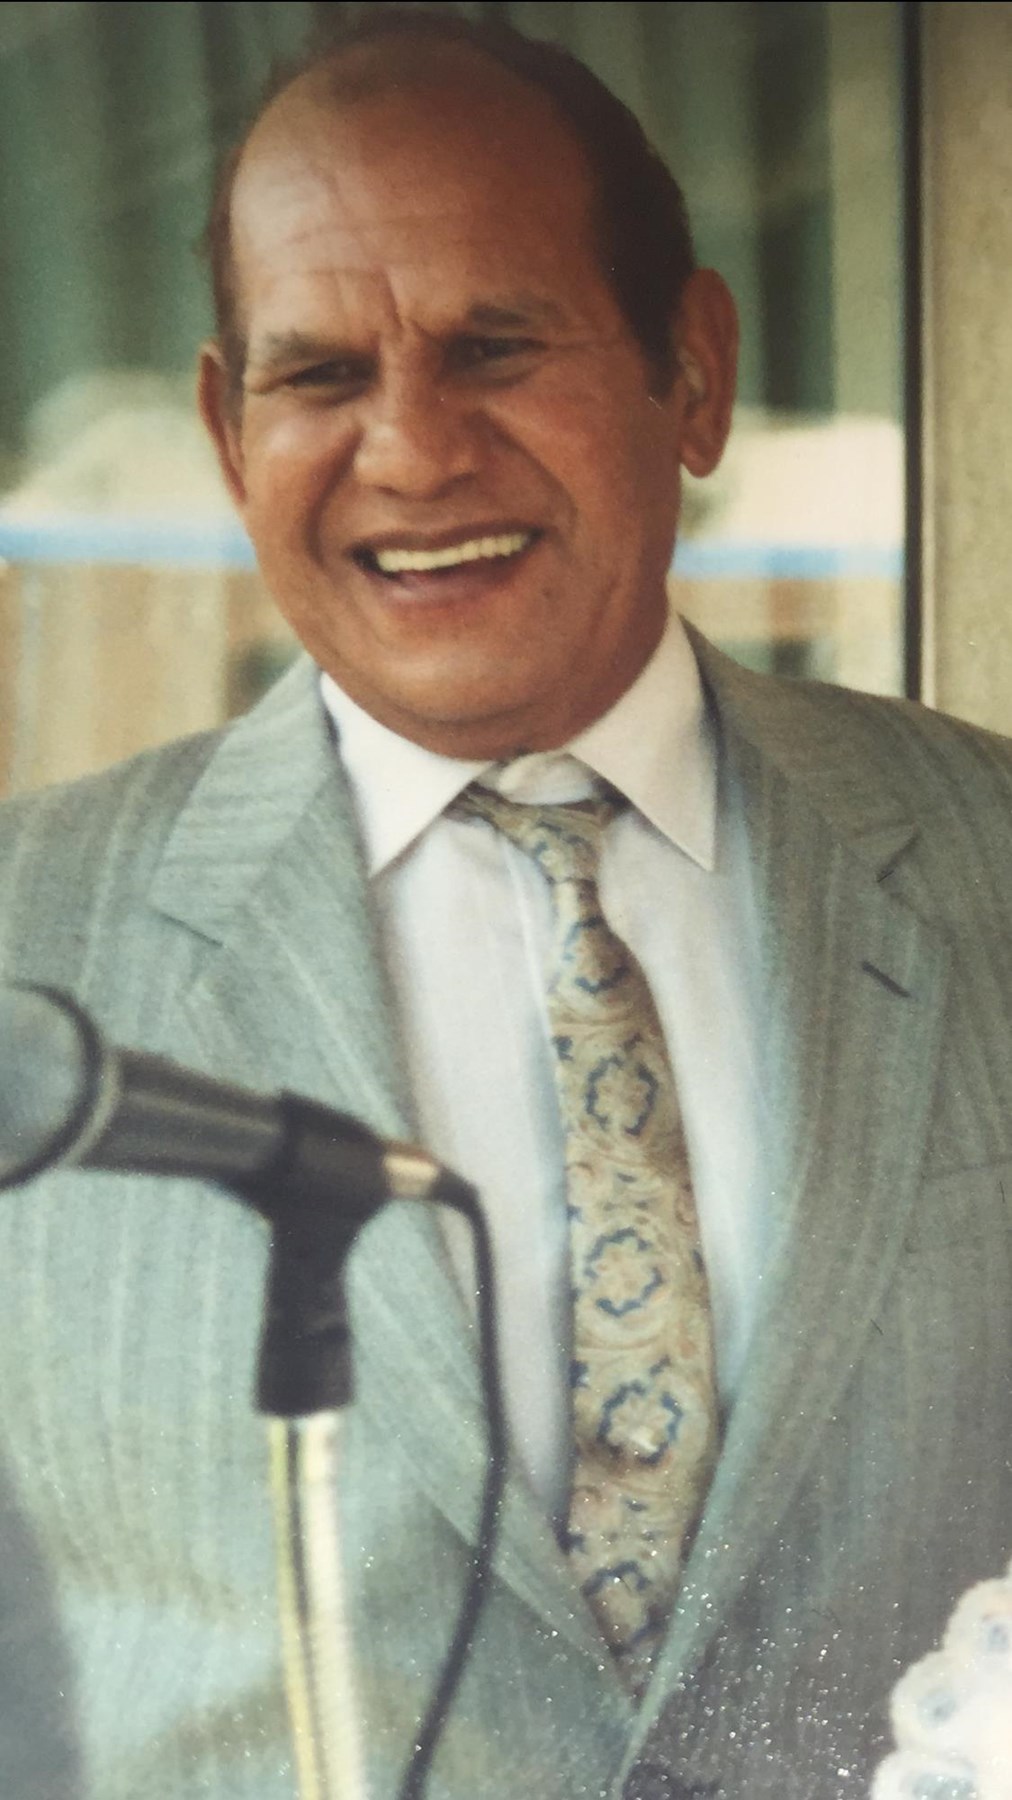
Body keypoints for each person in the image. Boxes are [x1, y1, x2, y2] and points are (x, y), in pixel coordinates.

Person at [0, 13, 1010, 1800]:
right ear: (229, 434)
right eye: (321, 376)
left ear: (694, 370)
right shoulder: (27, 954)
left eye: (494, 346)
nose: (409, 451)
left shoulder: (990, 860)